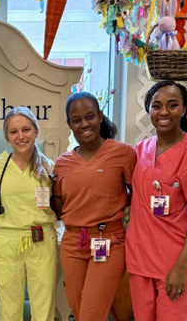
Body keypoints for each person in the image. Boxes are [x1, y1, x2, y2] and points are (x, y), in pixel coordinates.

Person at [125, 81, 187, 321]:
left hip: (174, 265)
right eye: (157, 106)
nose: (163, 112)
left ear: (184, 109)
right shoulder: (140, 150)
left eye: (172, 105)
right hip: (140, 263)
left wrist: (181, 267)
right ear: (149, 111)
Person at [52, 91, 136, 321]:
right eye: (77, 120)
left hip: (108, 241)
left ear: (100, 116)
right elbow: (59, 205)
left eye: (89, 116)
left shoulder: (123, 153)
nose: (84, 124)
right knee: (81, 313)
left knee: (90, 315)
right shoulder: (62, 163)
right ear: (69, 124)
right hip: (72, 243)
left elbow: (136, 194)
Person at [0, 107, 58, 321]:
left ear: (36, 131)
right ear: (7, 136)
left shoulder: (49, 168)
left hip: (41, 239)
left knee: (43, 303)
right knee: (8, 304)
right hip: (7, 240)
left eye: (26, 129)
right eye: (14, 131)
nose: (21, 136)